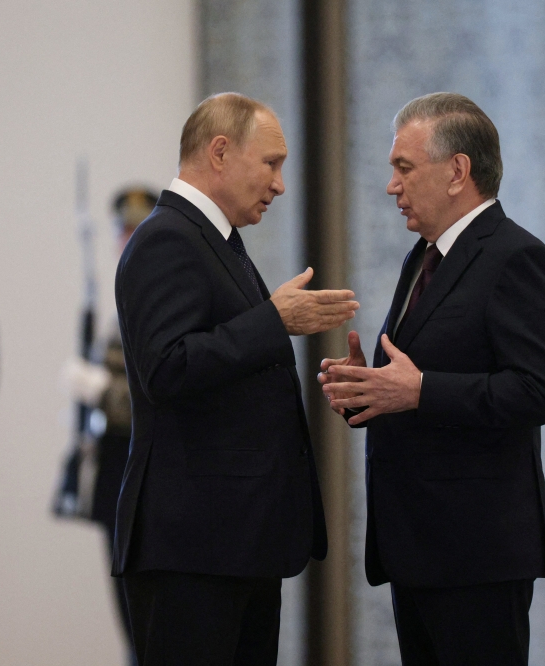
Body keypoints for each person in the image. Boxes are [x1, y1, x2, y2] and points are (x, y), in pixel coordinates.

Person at [319, 92, 545, 665]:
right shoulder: (423, 257)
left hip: (478, 555)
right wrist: (369, 390)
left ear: (458, 171)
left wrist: (418, 390)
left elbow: (539, 391)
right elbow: (417, 381)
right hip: (418, 547)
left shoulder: (517, 259)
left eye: (404, 168)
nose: (392, 186)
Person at [113, 92, 359, 665]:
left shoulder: (215, 241)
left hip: (231, 543)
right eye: (271, 163)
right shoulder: (167, 238)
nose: (278, 184)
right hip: (192, 549)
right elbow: (167, 369)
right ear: (219, 152)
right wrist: (274, 319)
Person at [62, 187, 158, 666]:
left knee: (144, 624)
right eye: (123, 231)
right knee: (128, 621)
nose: (128, 240)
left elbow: (157, 396)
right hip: (113, 475)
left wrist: (100, 391)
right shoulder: (123, 302)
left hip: (147, 479)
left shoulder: (158, 301)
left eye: (138, 230)